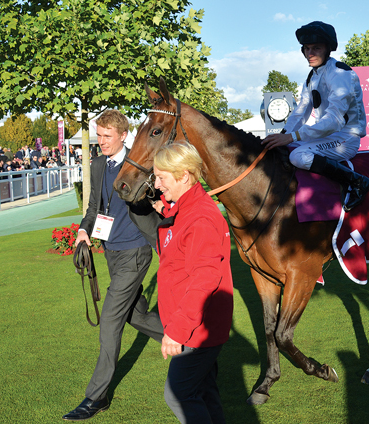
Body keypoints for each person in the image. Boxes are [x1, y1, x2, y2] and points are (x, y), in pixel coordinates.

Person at [62, 110, 163, 421]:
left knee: (110, 320)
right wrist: (83, 230)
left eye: (107, 136)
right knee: (136, 314)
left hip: (136, 251)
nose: (101, 141)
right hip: (112, 251)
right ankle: (191, 344)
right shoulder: (97, 164)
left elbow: (158, 199)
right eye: (99, 135)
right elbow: (94, 206)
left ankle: (96, 397)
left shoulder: (141, 161)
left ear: (123, 135)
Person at [153, 142, 233, 424]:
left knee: (179, 394)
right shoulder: (187, 208)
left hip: (196, 329)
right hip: (194, 325)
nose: (157, 184)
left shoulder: (199, 216)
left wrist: (177, 330)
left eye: (162, 177)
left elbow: (205, 278)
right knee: (204, 391)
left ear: (184, 175)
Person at [261, 21, 369, 212]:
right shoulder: (312, 77)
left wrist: (292, 137)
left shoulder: (340, 73)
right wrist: (282, 135)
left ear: (328, 49)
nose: (309, 54)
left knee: (298, 155)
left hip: (346, 139)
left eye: (316, 48)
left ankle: (357, 182)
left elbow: (334, 121)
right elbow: (300, 112)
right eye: (306, 49)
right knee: (282, 151)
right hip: (327, 137)